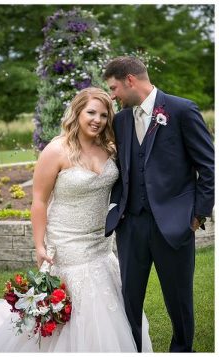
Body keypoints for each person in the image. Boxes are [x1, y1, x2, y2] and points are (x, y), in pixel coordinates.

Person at [0, 87, 152, 352]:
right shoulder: (56, 150)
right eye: (91, 112)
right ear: (77, 112)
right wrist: (39, 246)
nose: (97, 120)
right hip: (67, 243)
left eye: (104, 115)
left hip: (100, 242)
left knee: (110, 307)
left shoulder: (110, 149)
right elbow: (38, 201)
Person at [103, 56, 214, 352]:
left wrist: (198, 214)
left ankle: (181, 350)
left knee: (179, 301)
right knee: (130, 301)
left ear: (130, 80)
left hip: (175, 225)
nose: (112, 96)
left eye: (114, 88)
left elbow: (208, 166)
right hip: (131, 225)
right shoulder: (121, 120)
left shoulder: (181, 110)